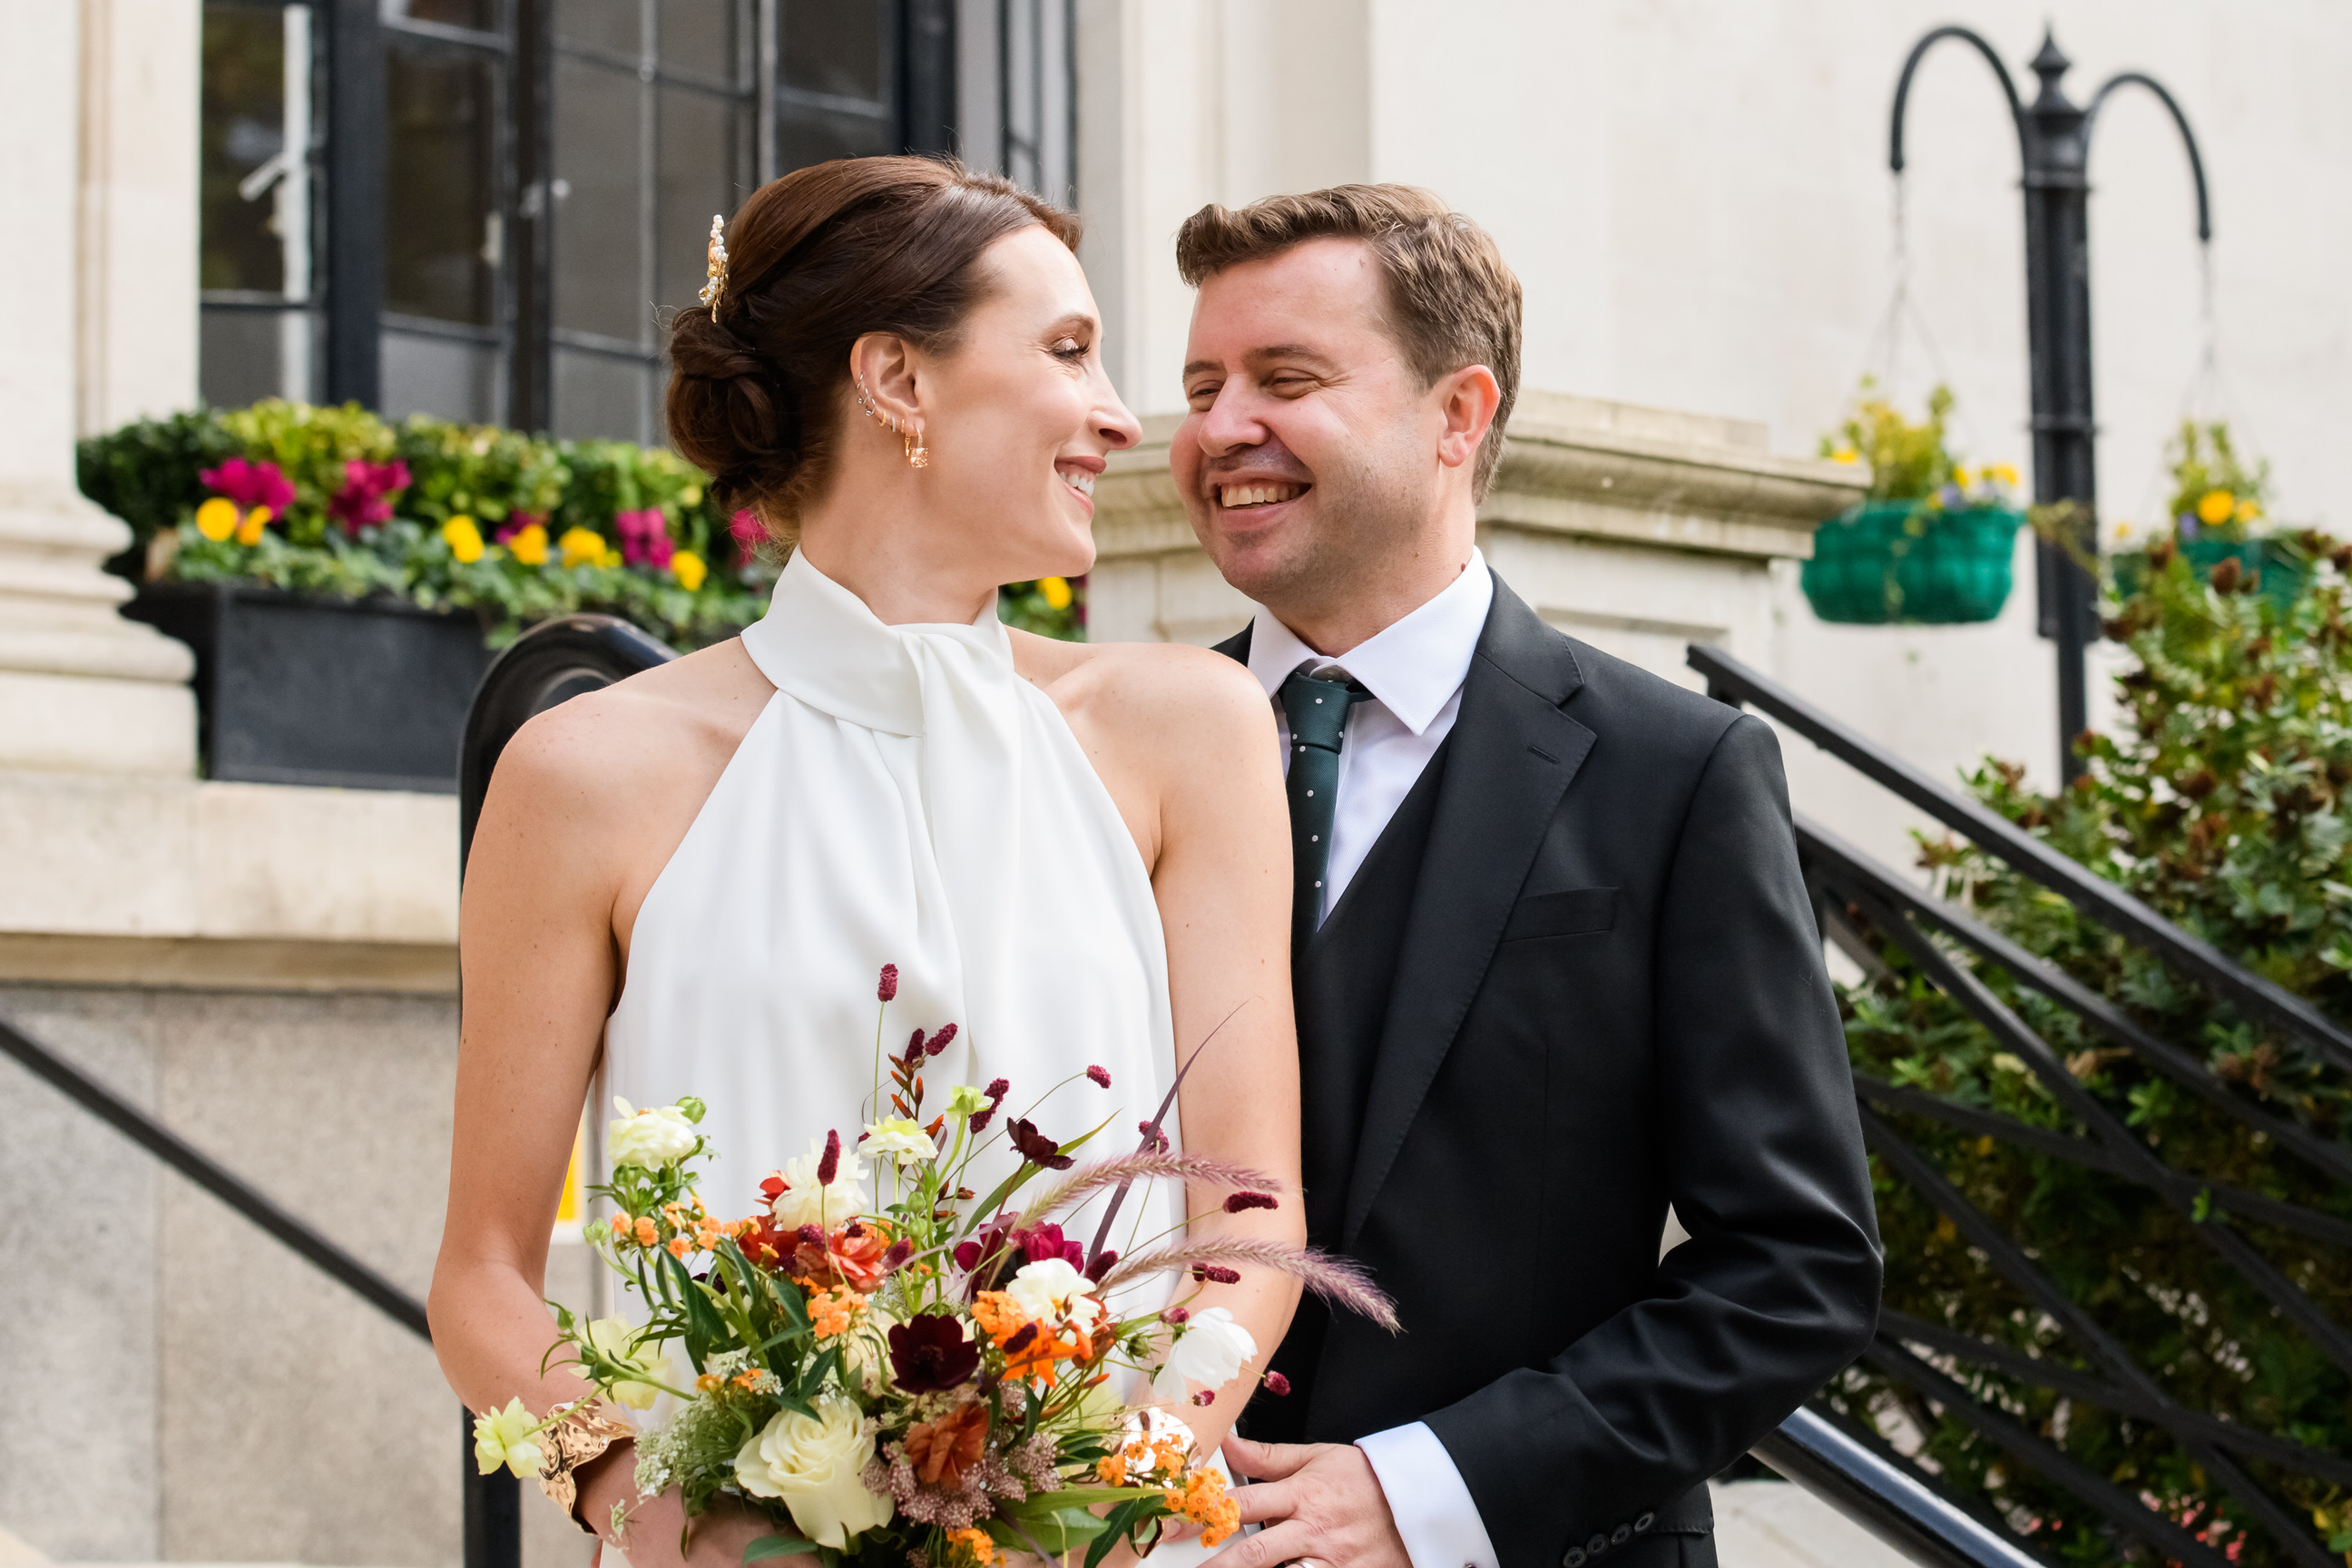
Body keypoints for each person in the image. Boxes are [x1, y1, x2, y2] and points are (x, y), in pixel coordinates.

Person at [427, 158, 1304, 1568]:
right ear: (897, 377)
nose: (1119, 416)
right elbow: (479, 1278)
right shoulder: (585, 774)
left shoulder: (1187, 733)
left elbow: (1249, 1215)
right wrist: (664, 1516)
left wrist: (1115, 1495)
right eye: (1069, 352)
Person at [1169, 185, 1883, 1568]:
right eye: (1202, 384)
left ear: (1459, 414)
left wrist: (1433, 1494)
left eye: (1286, 378)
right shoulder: (1095, 762)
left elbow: (1795, 1273)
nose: (1217, 429)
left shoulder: (1676, 773)